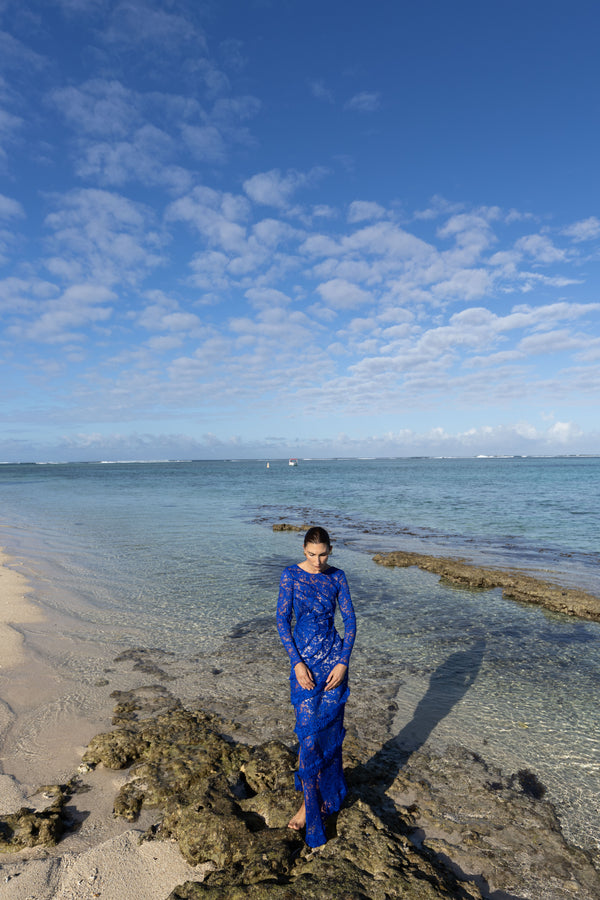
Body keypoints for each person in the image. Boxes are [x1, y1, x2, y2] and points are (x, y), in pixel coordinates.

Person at [276, 526, 356, 848]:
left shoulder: (338, 578)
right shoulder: (290, 576)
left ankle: (317, 802)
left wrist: (343, 662)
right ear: (304, 550)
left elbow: (350, 623)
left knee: (329, 737)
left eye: (323, 554)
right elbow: (282, 621)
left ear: (331, 550)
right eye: (312, 554)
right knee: (308, 737)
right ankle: (309, 805)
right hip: (305, 668)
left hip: (334, 665)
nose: (318, 560)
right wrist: (296, 662)